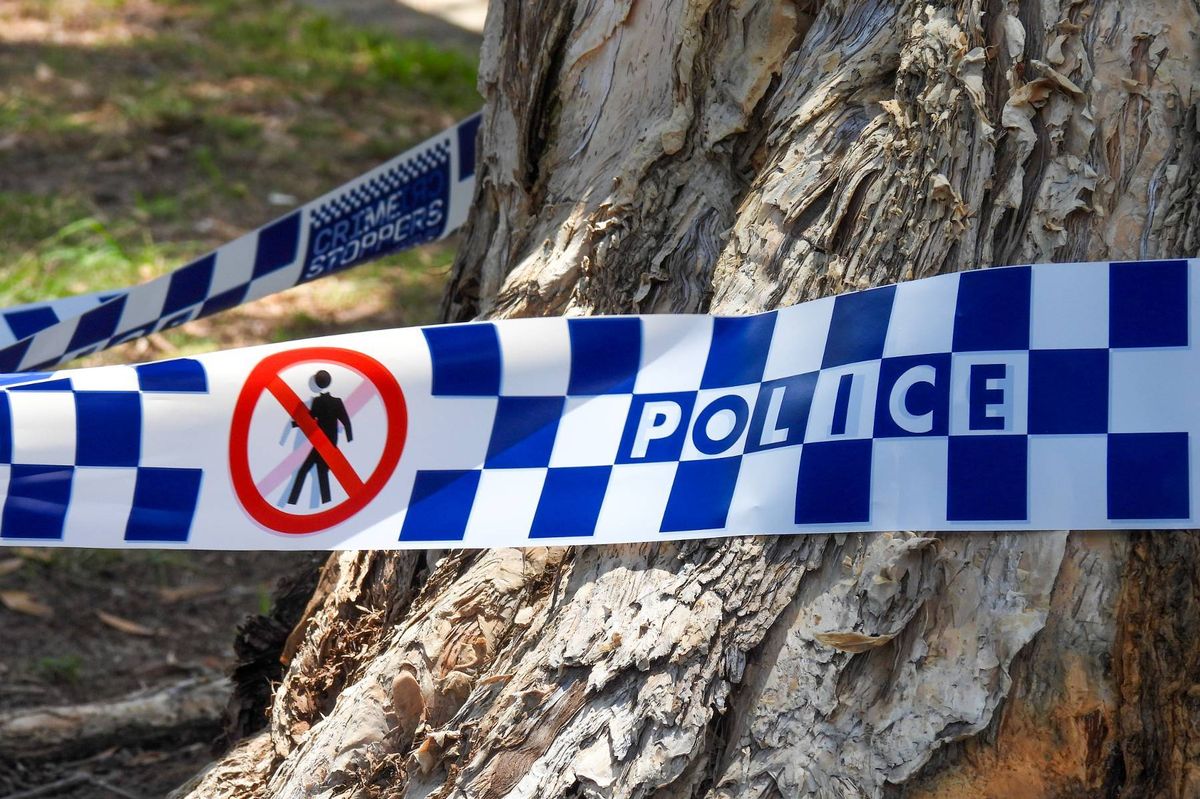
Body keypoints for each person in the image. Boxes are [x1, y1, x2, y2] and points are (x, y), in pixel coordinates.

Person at [287, 369, 353, 505]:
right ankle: (326, 502)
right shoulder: (337, 402)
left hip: (322, 444)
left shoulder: (318, 401)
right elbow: (346, 421)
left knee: (304, 470)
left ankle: (292, 500)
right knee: (322, 473)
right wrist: (349, 438)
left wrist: (295, 424)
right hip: (330, 443)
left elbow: (311, 418)